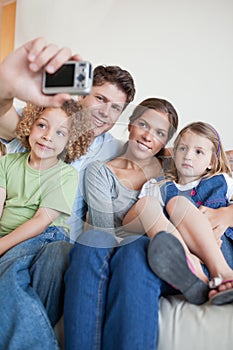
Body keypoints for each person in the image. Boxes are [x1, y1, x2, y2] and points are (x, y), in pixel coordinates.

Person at [0, 36, 136, 343]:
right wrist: (6, 83)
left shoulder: (116, 149)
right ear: (83, 94)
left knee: (58, 253)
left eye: (116, 107)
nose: (105, 112)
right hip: (16, 234)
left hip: (57, 243)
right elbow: (2, 109)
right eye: (101, 99)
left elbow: (163, 157)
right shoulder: (42, 123)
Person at [64, 97, 179, 349]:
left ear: (165, 142)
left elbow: (215, 170)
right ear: (130, 125)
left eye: (159, 133)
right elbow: (104, 231)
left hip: (154, 252)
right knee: (92, 240)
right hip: (111, 248)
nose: (148, 136)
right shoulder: (101, 172)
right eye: (144, 125)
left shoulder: (174, 167)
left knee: (134, 251)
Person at [0, 99, 93, 349]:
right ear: (30, 125)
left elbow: (41, 221)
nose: (48, 136)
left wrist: (1, 247)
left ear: (69, 142)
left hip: (45, 237)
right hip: (10, 240)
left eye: (60, 132)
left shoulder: (65, 174)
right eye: (42, 125)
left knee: (11, 273)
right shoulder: (6, 163)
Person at [123, 121, 233, 305]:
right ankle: (195, 275)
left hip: (220, 253)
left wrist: (223, 214)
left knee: (177, 204)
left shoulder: (223, 181)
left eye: (198, 152)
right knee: (148, 203)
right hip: (175, 265)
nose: (188, 156)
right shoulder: (156, 186)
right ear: (173, 153)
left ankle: (224, 273)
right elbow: (129, 223)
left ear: (211, 162)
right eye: (182, 148)